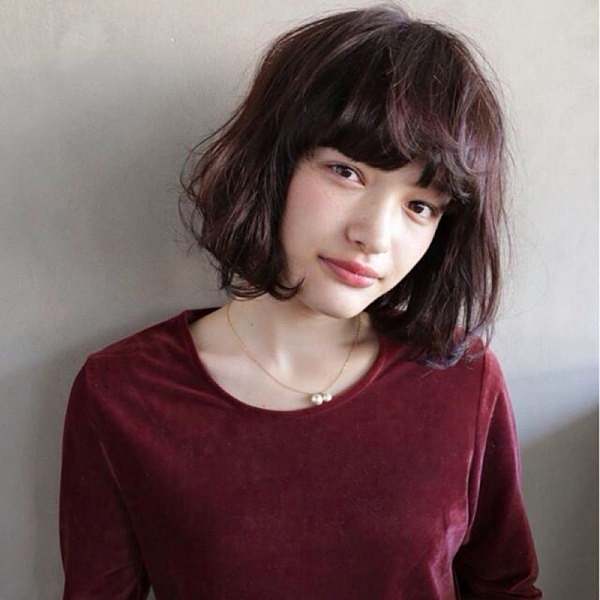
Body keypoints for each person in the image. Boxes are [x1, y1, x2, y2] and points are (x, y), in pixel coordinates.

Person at [59, 5, 542, 599]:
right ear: (273, 163)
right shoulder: (124, 391)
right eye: (346, 172)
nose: (375, 236)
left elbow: (504, 587)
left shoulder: (462, 380)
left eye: (420, 206)